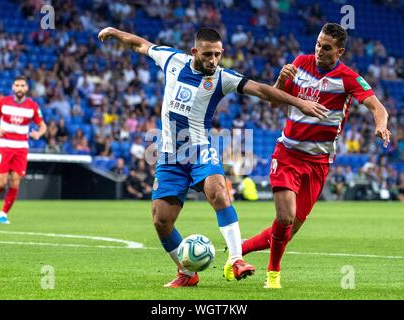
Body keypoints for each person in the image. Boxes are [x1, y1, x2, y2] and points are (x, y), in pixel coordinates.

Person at [98, 26, 328, 288]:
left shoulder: (222, 78)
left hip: (199, 150)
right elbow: (141, 44)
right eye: (208, 55)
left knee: (218, 191)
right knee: (161, 220)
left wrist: (298, 102)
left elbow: (263, 91)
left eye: (218, 55)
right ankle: (187, 273)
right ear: (194, 51)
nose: (213, 61)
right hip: (169, 157)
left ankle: (236, 259)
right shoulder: (172, 60)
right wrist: (115, 32)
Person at [237, 23, 392, 289]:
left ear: (340, 51)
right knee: (284, 218)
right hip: (287, 153)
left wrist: (381, 124)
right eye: (318, 44)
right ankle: (273, 274)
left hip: (318, 163)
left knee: (289, 230)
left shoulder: (348, 78)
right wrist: (280, 80)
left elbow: (377, 106)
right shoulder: (300, 63)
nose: (319, 50)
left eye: (327, 47)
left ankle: (237, 250)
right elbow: (274, 102)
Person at [0, 76, 47, 224]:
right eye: (17, 85)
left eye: (22, 85)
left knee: (15, 182)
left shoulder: (33, 106)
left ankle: (3, 214)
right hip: (4, 145)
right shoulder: (3, 102)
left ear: (27, 88)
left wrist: (38, 133)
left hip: (21, 148)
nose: (19, 88)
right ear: (13, 87)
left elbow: (43, 126)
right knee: (0, 182)